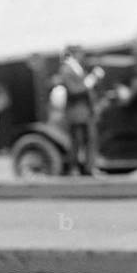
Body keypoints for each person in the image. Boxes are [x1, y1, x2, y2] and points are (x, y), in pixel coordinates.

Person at [59, 45, 104, 175]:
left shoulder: (77, 69)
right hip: (76, 112)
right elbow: (74, 90)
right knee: (76, 141)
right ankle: (74, 168)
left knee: (90, 139)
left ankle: (89, 167)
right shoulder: (66, 69)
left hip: (85, 111)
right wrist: (91, 79)